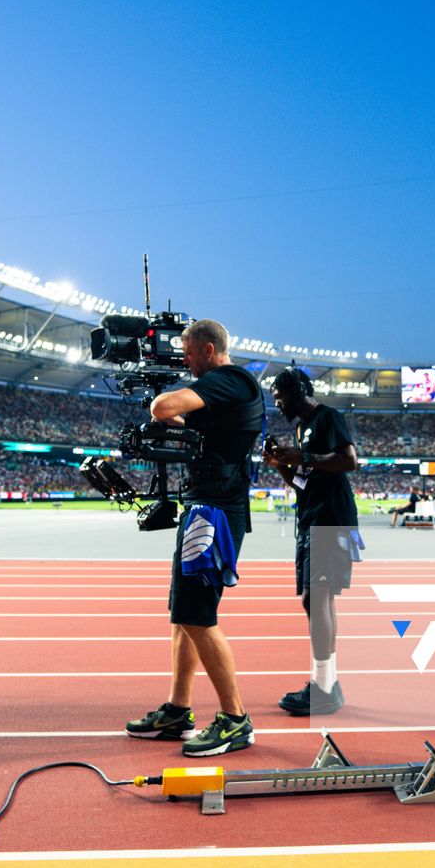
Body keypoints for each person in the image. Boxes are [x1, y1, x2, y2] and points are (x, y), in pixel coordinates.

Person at [124, 318, 264, 757]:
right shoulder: (223, 395)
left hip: (217, 512)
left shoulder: (230, 379)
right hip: (207, 506)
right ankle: (178, 709)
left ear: (207, 349)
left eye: (186, 353)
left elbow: (164, 409)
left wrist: (161, 396)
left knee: (199, 614)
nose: (183, 360)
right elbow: (187, 418)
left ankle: (236, 720)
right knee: (183, 613)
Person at [264, 368, 361, 716]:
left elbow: (350, 460)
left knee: (316, 597)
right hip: (312, 519)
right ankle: (326, 682)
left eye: (280, 393)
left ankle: (323, 687)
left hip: (331, 519)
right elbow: (303, 482)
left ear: (299, 390)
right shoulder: (302, 429)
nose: (277, 401)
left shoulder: (326, 417)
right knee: (314, 601)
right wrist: (279, 463)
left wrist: (301, 456)